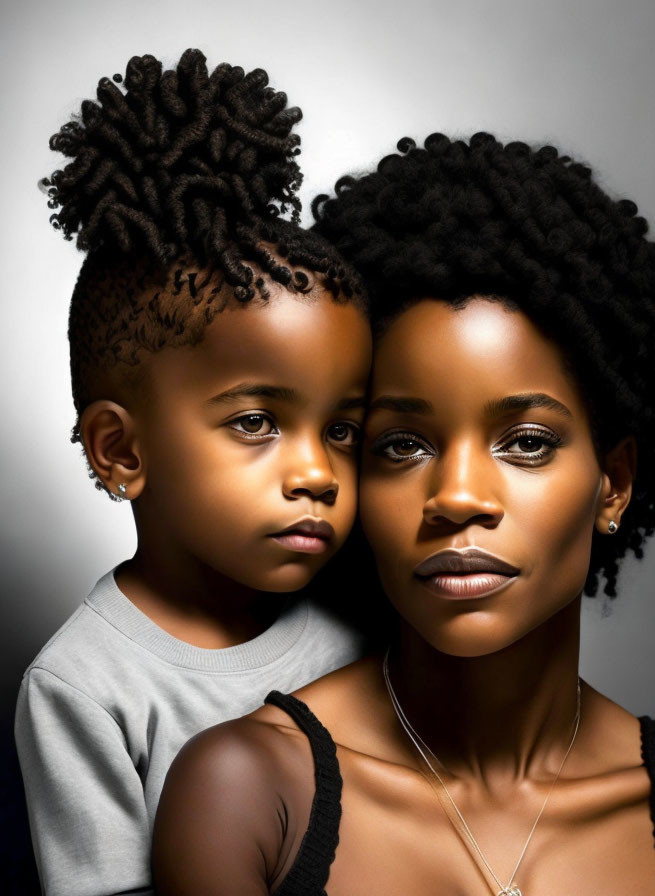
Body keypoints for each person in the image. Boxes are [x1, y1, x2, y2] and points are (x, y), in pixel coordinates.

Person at [153, 132, 655, 895]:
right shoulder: (251, 792)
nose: (458, 497)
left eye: (527, 442)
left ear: (612, 483)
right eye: (403, 444)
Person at [15, 49, 371, 896]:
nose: (318, 473)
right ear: (122, 453)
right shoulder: (81, 688)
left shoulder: (360, 629)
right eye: (257, 423)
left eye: (345, 429)